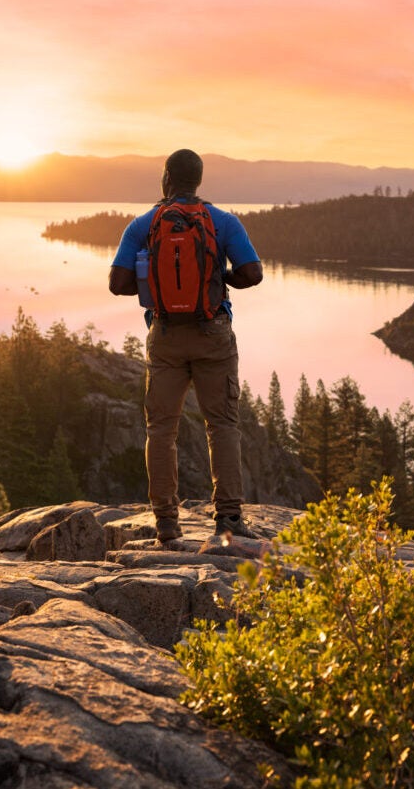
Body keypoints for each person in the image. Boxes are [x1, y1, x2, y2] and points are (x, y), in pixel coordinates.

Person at [108, 149, 265, 545]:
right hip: (213, 334)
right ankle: (228, 519)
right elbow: (253, 273)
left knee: (161, 429)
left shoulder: (144, 224)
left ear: (166, 178)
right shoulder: (222, 221)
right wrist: (220, 279)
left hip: (165, 335)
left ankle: (166, 523)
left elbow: (117, 283)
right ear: (198, 180)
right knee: (222, 425)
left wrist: (155, 283)